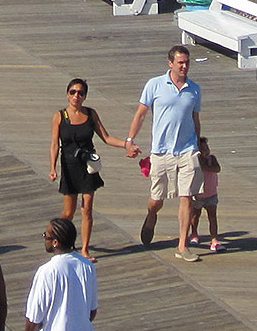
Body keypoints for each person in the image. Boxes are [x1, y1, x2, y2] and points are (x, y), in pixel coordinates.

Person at [124, 44, 204, 261]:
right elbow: (140, 114)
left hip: (187, 149)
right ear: (170, 64)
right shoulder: (155, 85)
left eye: (187, 62)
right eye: (180, 63)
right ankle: (151, 215)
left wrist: (200, 146)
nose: (184, 67)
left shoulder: (194, 89)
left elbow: (195, 119)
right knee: (156, 199)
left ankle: (182, 245)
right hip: (161, 151)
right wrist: (130, 141)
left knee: (186, 197)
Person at [48, 78, 125, 261]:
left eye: (80, 93)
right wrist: (52, 168)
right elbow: (54, 145)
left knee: (87, 209)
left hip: (88, 166)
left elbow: (106, 137)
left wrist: (126, 145)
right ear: (67, 94)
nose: (76, 96)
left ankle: (84, 249)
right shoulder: (60, 116)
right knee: (68, 212)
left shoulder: (91, 114)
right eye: (73, 92)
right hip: (69, 166)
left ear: (85, 96)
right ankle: (60, 241)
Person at [22, 217, 95, 331]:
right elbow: (92, 311)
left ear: (55, 242)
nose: (44, 239)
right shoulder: (86, 266)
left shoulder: (47, 271)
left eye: (45, 236)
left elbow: (34, 315)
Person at [188, 136, 222, 251]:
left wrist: (206, 165)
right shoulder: (195, 161)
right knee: (195, 215)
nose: (206, 151)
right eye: (203, 150)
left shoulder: (212, 159)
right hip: (198, 194)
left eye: (207, 149)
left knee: (212, 217)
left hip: (211, 194)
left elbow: (217, 169)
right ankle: (194, 234)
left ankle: (214, 239)